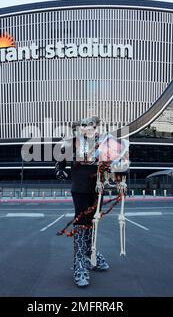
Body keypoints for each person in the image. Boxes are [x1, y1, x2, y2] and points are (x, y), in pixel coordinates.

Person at [55, 116, 110, 287]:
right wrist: (59, 170)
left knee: (93, 222)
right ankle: (80, 264)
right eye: (82, 126)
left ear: (95, 126)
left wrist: (119, 175)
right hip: (80, 188)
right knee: (81, 222)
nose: (85, 128)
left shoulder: (104, 142)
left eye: (88, 125)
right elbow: (60, 161)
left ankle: (91, 253)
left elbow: (116, 162)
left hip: (98, 189)